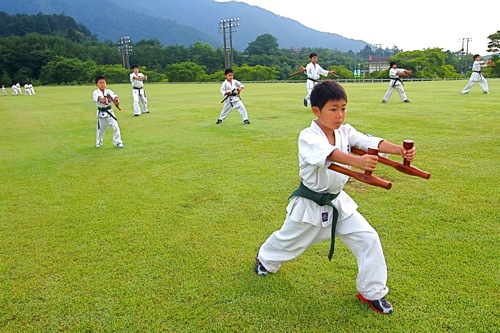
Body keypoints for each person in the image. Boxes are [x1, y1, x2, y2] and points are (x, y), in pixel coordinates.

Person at [254, 80, 417, 315]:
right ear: (316, 111)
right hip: (310, 203)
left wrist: (399, 151)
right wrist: (358, 162)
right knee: (288, 240)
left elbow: (370, 142)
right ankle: (265, 259)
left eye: (343, 108)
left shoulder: (345, 131)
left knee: (368, 238)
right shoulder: (308, 136)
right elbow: (329, 154)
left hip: (338, 203)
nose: (339, 115)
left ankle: (372, 292)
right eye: (333, 109)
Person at [93, 75, 124, 148]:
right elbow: (100, 99)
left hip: (110, 112)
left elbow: (115, 97)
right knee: (101, 130)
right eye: (100, 83)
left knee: (116, 127)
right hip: (101, 113)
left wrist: (116, 101)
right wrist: (103, 99)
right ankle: (99, 143)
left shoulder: (109, 91)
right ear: (97, 84)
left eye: (104, 82)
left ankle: (118, 142)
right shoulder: (95, 92)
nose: (102, 84)